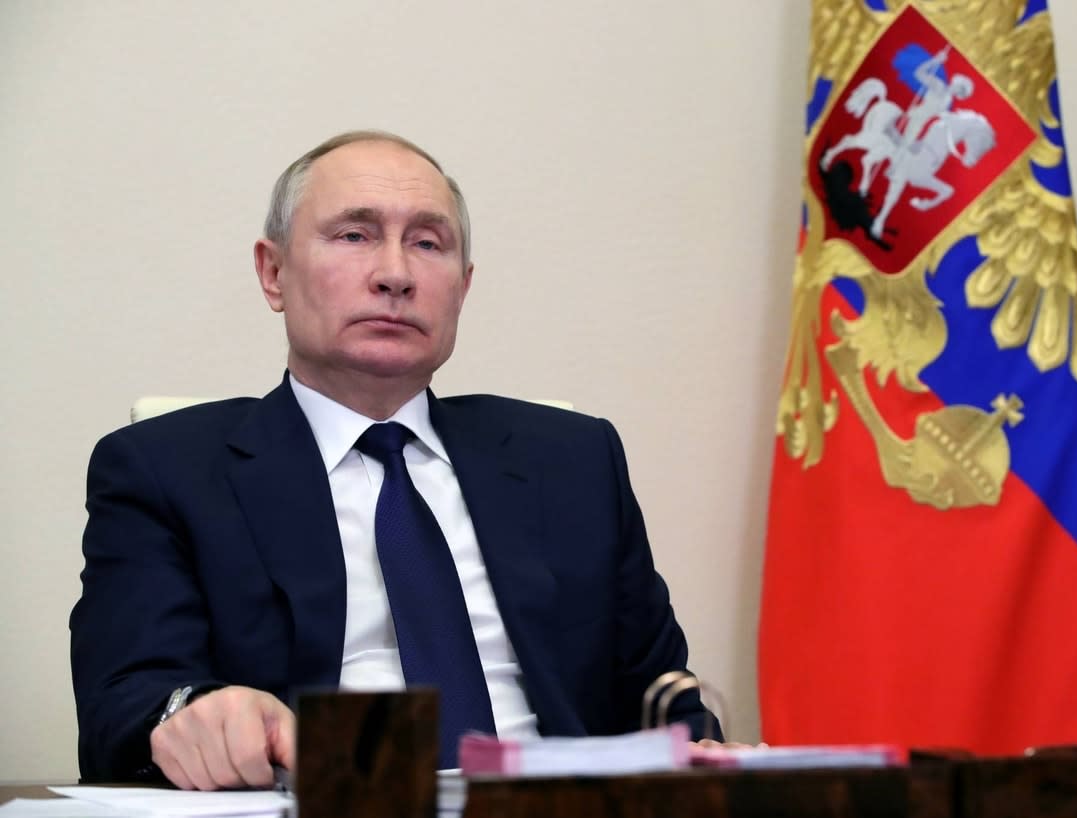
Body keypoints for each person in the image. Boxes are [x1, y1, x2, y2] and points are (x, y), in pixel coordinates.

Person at [69, 130, 718, 790]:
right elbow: (124, 705)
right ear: (273, 273)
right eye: (354, 235)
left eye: (428, 243)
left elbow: (665, 705)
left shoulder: (574, 460)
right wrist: (194, 714)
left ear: (462, 289)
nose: (396, 274)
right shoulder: (164, 470)